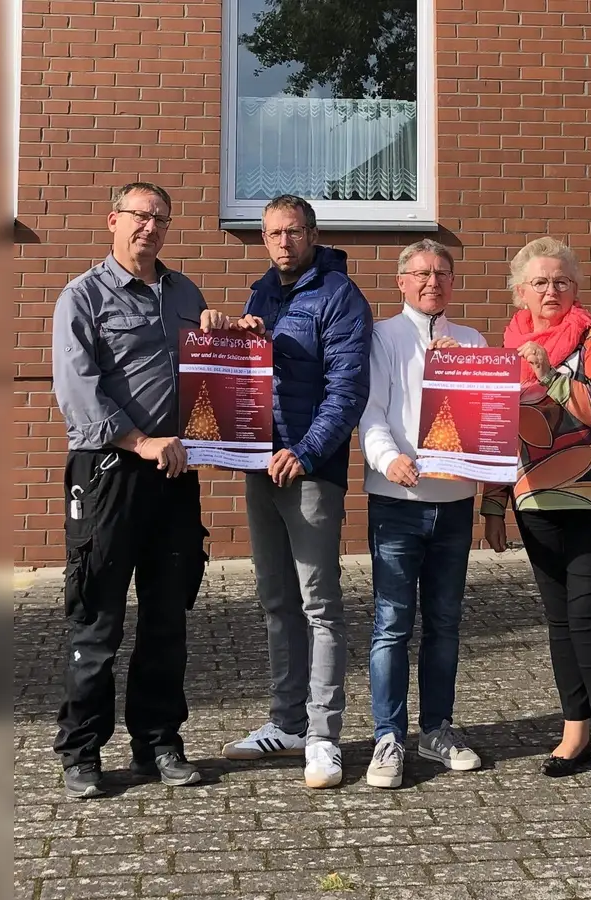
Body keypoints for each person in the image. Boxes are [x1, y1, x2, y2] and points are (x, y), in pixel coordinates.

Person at [51, 182, 229, 799]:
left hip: (174, 478)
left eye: (159, 218)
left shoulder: (185, 293)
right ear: (112, 222)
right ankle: (81, 751)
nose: (148, 227)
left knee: (166, 617)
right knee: (97, 618)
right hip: (109, 475)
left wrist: (228, 335)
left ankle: (159, 740)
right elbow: (79, 391)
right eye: (138, 216)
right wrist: (139, 441)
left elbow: (208, 373)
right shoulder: (82, 296)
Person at [222, 196, 373, 790]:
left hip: (308, 470)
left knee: (319, 605)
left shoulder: (339, 296)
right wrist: (242, 337)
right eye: (271, 234)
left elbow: (347, 390)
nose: (282, 242)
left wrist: (306, 452)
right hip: (260, 464)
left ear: (312, 234)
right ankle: (284, 724)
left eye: (292, 232)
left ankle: (323, 735)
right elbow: (249, 376)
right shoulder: (260, 294)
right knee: (275, 600)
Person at [482, 237, 591, 800]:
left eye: (561, 282)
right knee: (559, 621)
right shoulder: (508, 345)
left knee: (589, 617)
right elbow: (497, 431)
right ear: (519, 291)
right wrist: (494, 503)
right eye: (539, 282)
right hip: (534, 500)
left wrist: (550, 375)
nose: (551, 291)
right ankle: (575, 732)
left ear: (576, 288)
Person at [357, 239, 486, 789]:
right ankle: (388, 736)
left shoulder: (474, 341)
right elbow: (372, 412)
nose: (433, 281)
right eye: (421, 273)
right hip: (398, 500)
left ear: (452, 282)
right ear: (402, 282)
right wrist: (389, 460)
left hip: (455, 503)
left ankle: (437, 729)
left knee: (445, 623)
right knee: (391, 623)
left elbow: (486, 419)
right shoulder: (382, 338)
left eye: (442, 273)